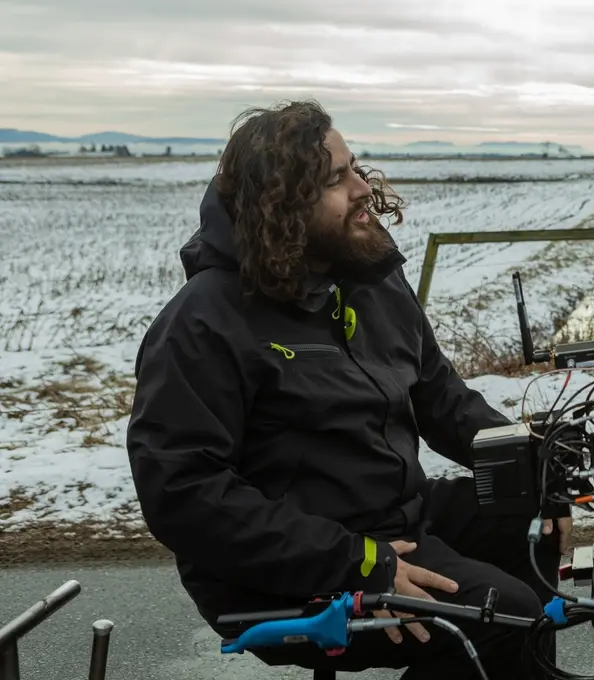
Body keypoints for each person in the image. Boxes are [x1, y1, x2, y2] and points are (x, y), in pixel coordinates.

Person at [125, 100, 571, 679]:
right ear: (280, 208)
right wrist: (355, 564)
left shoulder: (368, 281)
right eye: (336, 178)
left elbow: (442, 400)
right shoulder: (204, 322)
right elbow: (182, 495)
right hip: (290, 571)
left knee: (528, 524)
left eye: (355, 167)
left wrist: (539, 467)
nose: (362, 187)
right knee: (508, 618)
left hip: (390, 521)